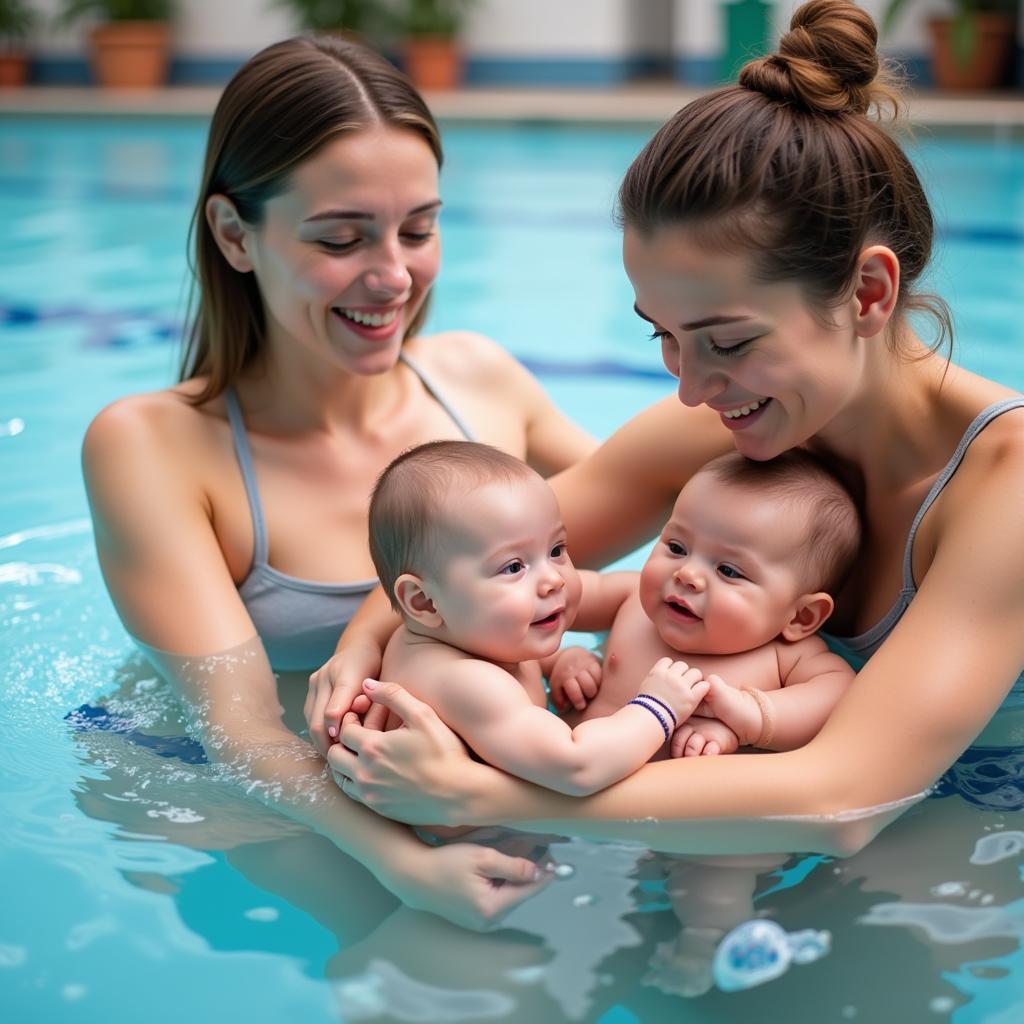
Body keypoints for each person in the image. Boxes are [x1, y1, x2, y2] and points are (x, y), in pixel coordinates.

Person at [324, 0, 1024, 875]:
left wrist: (489, 795)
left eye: (726, 341)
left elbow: (847, 796)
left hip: (951, 869)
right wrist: (356, 653)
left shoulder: (1007, 488)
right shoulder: (737, 418)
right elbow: (457, 555)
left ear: (868, 296)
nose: (689, 386)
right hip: (719, 846)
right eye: (664, 336)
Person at [81, 35, 597, 930]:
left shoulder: (480, 383)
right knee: (441, 962)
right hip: (262, 796)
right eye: (341, 237)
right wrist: (402, 863)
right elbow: (239, 729)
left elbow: (681, 527)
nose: (394, 275)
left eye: (420, 229)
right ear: (235, 234)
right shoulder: (155, 447)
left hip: (475, 774)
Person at [368, 439, 713, 796]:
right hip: (483, 846)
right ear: (424, 602)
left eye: (557, 550)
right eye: (514, 566)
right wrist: (657, 706)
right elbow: (577, 767)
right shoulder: (464, 681)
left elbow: (517, 667)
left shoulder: (469, 634)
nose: (553, 579)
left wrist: (565, 660)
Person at [551, 447, 858, 760]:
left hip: (658, 802)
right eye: (677, 547)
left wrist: (752, 719)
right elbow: (550, 594)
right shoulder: (631, 599)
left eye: (728, 570)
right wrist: (562, 660)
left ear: (800, 617)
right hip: (561, 770)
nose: (687, 574)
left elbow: (841, 695)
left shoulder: (784, 656)